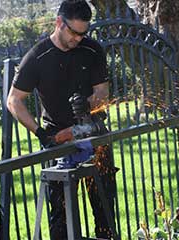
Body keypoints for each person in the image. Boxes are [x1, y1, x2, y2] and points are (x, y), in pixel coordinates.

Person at [6, 1, 117, 239]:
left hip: (94, 133)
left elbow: (102, 93)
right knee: (61, 219)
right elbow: (14, 101)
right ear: (59, 22)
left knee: (105, 209)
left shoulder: (93, 49)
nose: (78, 38)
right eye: (74, 32)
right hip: (58, 140)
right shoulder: (37, 56)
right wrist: (41, 134)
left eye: (83, 33)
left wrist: (87, 104)